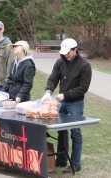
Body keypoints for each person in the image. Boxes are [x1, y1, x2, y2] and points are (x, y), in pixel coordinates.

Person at [41, 38, 92, 173]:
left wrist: (65, 95)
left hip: (75, 102)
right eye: (64, 53)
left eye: (68, 52)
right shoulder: (60, 62)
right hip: (62, 103)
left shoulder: (84, 66)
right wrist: (48, 92)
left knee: (75, 132)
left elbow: (83, 88)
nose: (66, 55)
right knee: (61, 130)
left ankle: (75, 163)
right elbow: (53, 78)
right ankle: (62, 159)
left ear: (76, 50)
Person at [2, 41, 35, 109]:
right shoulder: (14, 62)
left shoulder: (29, 64)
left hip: (22, 100)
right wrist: (2, 93)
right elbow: (10, 79)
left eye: (16, 46)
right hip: (11, 97)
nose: (14, 48)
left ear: (23, 48)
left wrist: (19, 97)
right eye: (13, 46)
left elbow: (28, 84)